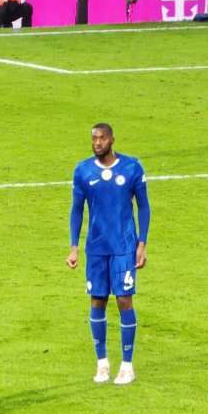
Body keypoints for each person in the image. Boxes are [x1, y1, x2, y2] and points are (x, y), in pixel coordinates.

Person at [67, 121, 149, 385]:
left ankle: (127, 365)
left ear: (112, 140)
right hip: (96, 248)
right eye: (94, 138)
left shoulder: (132, 167)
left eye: (101, 138)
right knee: (97, 301)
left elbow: (144, 207)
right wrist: (74, 247)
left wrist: (142, 244)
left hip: (124, 246)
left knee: (124, 300)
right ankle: (102, 363)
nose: (97, 143)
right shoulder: (83, 170)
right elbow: (76, 209)